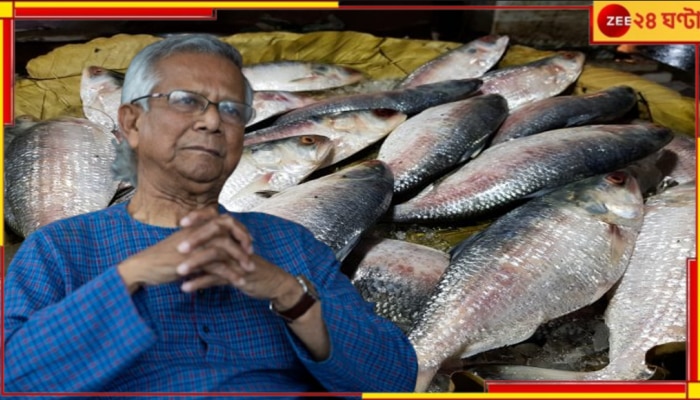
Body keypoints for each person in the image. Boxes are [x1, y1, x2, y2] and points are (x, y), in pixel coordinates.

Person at [4, 34, 418, 396]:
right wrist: (131, 276)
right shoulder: (59, 247)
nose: (211, 121)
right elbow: (14, 382)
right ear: (130, 122)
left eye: (233, 110)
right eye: (186, 101)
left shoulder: (291, 243)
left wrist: (289, 294)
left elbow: (394, 379)